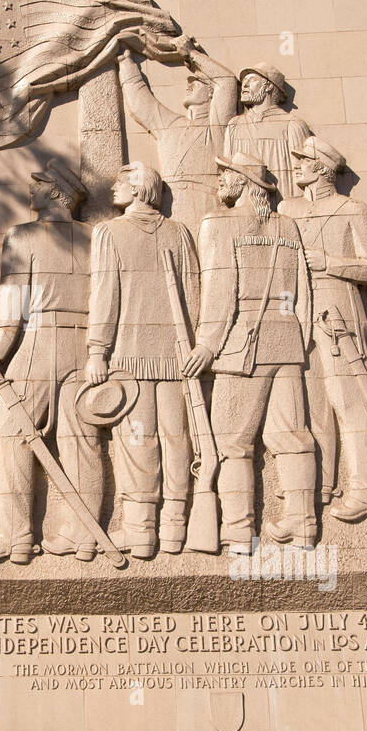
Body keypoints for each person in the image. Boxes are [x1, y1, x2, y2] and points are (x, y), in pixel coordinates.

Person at [0, 160, 103, 565]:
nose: (31, 188)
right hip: (84, 341)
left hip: (36, 342)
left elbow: (13, 298)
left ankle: (14, 537)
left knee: (10, 435)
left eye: (38, 184)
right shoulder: (97, 238)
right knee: (83, 441)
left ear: (57, 191)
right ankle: (84, 537)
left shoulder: (22, 236)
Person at [182, 150, 317, 551]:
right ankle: (304, 524)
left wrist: (208, 343)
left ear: (243, 182)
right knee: (292, 436)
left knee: (232, 443)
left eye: (226, 173)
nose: (219, 179)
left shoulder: (218, 224)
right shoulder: (288, 227)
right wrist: (299, 338)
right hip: (288, 343)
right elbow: (304, 294)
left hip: (242, 347)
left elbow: (221, 290)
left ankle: (239, 531)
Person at [85, 161, 199, 558]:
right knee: (175, 439)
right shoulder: (179, 232)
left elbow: (105, 294)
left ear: (138, 189)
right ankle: (174, 530)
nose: (113, 188)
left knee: (138, 443)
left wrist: (97, 350)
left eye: (120, 182)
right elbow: (195, 297)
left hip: (129, 356)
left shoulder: (110, 233)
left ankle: (141, 532)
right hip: (177, 356)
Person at [280, 136, 367, 521]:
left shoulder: (353, 209)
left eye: (303, 161)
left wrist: (329, 261)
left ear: (322, 168)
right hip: (295, 311)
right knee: (308, 404)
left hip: (338, 309)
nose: (296, 166)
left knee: (350, 398)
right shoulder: (287, 210)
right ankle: (319, 486)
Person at [117, 38, 238, 232]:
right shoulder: (172, 125)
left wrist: (191, 54)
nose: (189, 86)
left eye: (197, 84)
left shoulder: (217, 127)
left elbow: (227, 81)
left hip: (206, 207)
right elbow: (141, 104)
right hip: (170, 209)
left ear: (210, 93)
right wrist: (125, 63)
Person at [222, 62, 311, 203]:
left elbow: (302, 174)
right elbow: (227, 171)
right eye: (244, 81)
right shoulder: (234, 125)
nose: (244, 86)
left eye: (251, 80)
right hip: (245, 205)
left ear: (269, 86)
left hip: (282, 204)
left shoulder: (292, 124)